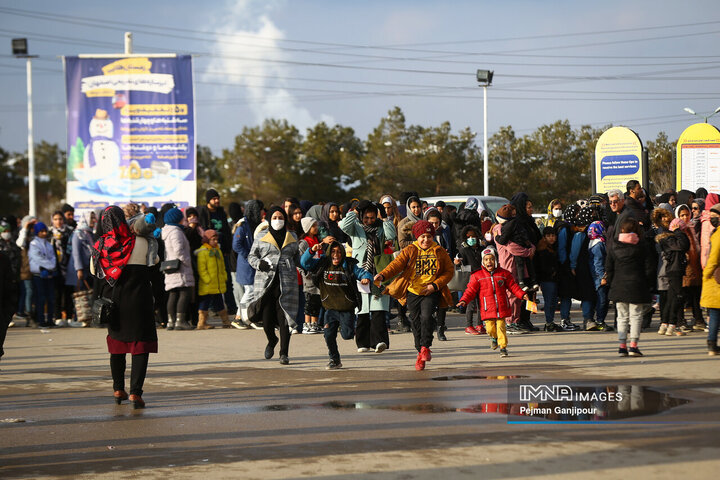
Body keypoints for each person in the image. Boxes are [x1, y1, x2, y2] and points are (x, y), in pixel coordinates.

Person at [92, 206, 158, 409]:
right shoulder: (141, 241)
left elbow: (94, 272)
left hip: (113, 302)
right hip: (139, 301)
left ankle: (118, 389)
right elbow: (154, 265)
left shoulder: (100, 245)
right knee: (140, 345)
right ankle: (136, 393)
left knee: (117, 347)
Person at [376, 220, 454, 370]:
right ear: (417, 236)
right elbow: (396, 264)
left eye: (429, 236)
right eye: (423, 236)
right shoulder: (411, 250)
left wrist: (435, 285)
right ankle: (420, 352)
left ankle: (425, 347)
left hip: (431, 291)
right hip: (413, 291)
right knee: (415, 321)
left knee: (426, 317)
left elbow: (449, 271)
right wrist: (383, 275)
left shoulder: (439, 251)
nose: (426, 240)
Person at [300, 241, 373, 369]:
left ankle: (350, 327)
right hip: (330, 308)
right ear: (329, 253)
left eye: (339, 252)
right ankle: (334, 359)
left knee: (347, 335)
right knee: (328, 335)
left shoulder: (349, 265)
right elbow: (305, 263)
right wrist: (312, 250)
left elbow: (362, 273)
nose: (336, 255)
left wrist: (366, 278)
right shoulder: (323, 263)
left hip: (346, 308)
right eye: (333, 252)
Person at [246, 207, 301, 365]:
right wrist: (260, 263)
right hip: (266, 283)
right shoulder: (261, 236)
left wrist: (308, 263)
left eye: (281, 217)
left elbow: (298, 258)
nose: (278, 220)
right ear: (269, 219)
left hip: (287, 283)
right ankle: (272, 340)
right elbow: (251, 256)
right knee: (267, 318)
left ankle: (284, 353)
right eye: (275, 217)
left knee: (285, 318)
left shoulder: (292, 237)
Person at [340, 200, 397, 354]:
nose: (369, 221)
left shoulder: (381, 227)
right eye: (366, 218)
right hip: (360, 270)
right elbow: (344, 226)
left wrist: (385, 218)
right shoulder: (356, 227)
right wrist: (355, 212)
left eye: (372, 218)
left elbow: (392, 235)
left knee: (379, 307)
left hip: (379, 270)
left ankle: (379, 341)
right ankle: (362, 342)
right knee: (362, 309)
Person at [457, 247, 529, 358]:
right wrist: (463, 300)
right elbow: (470, 290)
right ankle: (493, 338)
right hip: (487, 309)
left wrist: (522, 294)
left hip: (501, 307)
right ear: (482, 262)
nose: (489, 262)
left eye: (491, 259)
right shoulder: (477, 276)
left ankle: (503, 347)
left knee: (501, 327)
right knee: (490, 329)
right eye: (486, 259)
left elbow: (513, 286)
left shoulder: (504, 274)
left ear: (496, 260)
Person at [606, 218, 656, 357]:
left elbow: (608, 268)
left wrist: (612, 282)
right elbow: (649, 268)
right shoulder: (642, 246)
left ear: (622, 230)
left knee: (621, 317)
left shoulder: (614, 246)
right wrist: (646, 283)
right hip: (637, 285)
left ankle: (622, 346)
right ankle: (633, 346)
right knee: (636, 316)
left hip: (619, 285)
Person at [231, 199, 264, 330]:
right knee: (249, 290)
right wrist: (249, 255)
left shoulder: (256, 225)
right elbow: (236, 245)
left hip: (253, 263)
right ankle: (238, 317)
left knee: (253, 291)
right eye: (260, 209)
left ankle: (249, 317)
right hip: (246, 264)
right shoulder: (243, 226)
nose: (262, 212)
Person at [298, 217, 335, 334]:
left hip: (317, 275)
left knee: (316, 300)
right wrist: (305, 273)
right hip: (309, 276)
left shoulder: (316, 240)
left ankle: (314, 323)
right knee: (309, 301)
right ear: (308, 228)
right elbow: (300, 261)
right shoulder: (304, 243)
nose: (316, 228)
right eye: (313, 226)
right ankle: (307, 324)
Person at [162, 207, 195, 331]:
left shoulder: (167, 231)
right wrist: (187, 261)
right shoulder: (176, 232)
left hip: (171, 266)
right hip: (180, 268)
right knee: (184, 293)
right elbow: (179, 250)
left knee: (173, 293)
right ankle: (180, 321)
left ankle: (171, 321)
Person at [656, 218, 690, 337]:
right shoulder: (671, 239)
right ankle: (672, 324)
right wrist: (679, 231)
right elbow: (684, 245)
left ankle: (664, 324)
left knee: (671, 297)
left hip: (674, 270)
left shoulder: (671, 239)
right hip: (674, 270)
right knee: (678, 297)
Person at [424, 208, 454, 341]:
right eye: (431, 223)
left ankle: (441, 328)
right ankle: (429, 327)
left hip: (441, 273)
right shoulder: (422, 236)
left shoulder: (444, 232)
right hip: (426, 274)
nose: (434, 226)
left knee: (443, 302)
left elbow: (450, 248)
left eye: (437, 223)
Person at [494, 204, 539, 291]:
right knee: (512, 294)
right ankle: (530, 282)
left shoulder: (512, 225)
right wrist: (528, 251)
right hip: (509, 264)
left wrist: (530, 248)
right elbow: (511, 247)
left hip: (515, 262)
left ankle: (529, 282)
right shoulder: (499, 228)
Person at [675, 204, 703, 332]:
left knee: (695, 294)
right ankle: (680, 321)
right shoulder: (676, 229)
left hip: (694, 264)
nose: (685, 217)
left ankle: (698, 319)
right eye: (682, 215)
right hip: (683, 266)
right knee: (682, 294)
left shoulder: (691, 227)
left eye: (687, 214)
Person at [196, 229, 231, 330]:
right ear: (207, 240)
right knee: (205, 303)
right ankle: (201, 323)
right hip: (208, 284)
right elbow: (202, 269)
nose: (216, 241)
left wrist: (224, 276)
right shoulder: (203, 251)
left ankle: (226, 321)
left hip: (218, 283)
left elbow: (222, 266)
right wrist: (207, 279)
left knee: (219, 302)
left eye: (217, 239)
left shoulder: (217, 250)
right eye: (213, 239)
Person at [455, 225, 485, 335]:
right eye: (469, 237)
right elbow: (459, 262)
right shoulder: (464, 250)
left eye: (473, 236)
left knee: (481, 303)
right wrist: (457, 262)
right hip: (470, 280)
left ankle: (480, 324)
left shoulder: (482, 249)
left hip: (482, 279)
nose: (471, 238)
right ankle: (469, 325)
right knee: (471, 304)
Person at [66, 211, 95, 327]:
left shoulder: (89, 233)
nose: (94, 220)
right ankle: (79, 318)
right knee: (79, 294)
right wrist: (79, 269)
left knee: (86, 293)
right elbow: (76, 253)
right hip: (79, 268)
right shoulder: (78, 234)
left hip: (88, 268)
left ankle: (87, 317)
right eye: (91, 218)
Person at [29, 222, 58, 328]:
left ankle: (50, 319)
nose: (44, 233)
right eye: (41, 231)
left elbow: (53, 257)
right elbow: (38, 258)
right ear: (37, 232)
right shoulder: (33, 244)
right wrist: (49, 266)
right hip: (39, 274)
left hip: (49, 274)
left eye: (45, 231)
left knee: (50, 298)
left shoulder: (48, 244)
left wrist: (51, 266)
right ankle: (41, 320)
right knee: (40, 298)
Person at [700, 203, 720, 355]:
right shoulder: (717, 233)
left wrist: (706, 274)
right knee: (714, 313)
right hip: (715, 279)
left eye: (715, 217)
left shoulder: (717, 234)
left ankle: (711, 343)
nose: (713, 220)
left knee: (714, 313)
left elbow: (712, 258)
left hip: (714, 278)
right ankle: (712, 343)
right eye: (711, 218)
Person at [534, 226, 562, 331]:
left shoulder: (553, 247)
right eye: (548, 236)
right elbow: (541, 266)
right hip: (546, 279)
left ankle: (550, 321)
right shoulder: (542, 249)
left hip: (553, 279)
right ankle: (548, 322)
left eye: (553, 235)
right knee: (549, 301)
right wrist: (552, 271)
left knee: (553, 301)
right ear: (544, 237)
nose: (551, 238)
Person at [49, 210, 74, 327]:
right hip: (55, 267)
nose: (58, 222)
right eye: (55, 219)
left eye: (60, 219)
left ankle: (69, 316)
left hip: (68, 265)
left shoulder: (69, 231)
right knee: (57, 293)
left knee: (69, 292)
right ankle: (58, 317)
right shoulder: (49, 233)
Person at [587, 220, 609, 333]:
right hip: (599, 277)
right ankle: (600, 321)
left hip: (595, 276)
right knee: (602, 300)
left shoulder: (593, 242)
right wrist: (602, 277)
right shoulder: (598, 244)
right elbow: (598, 262)